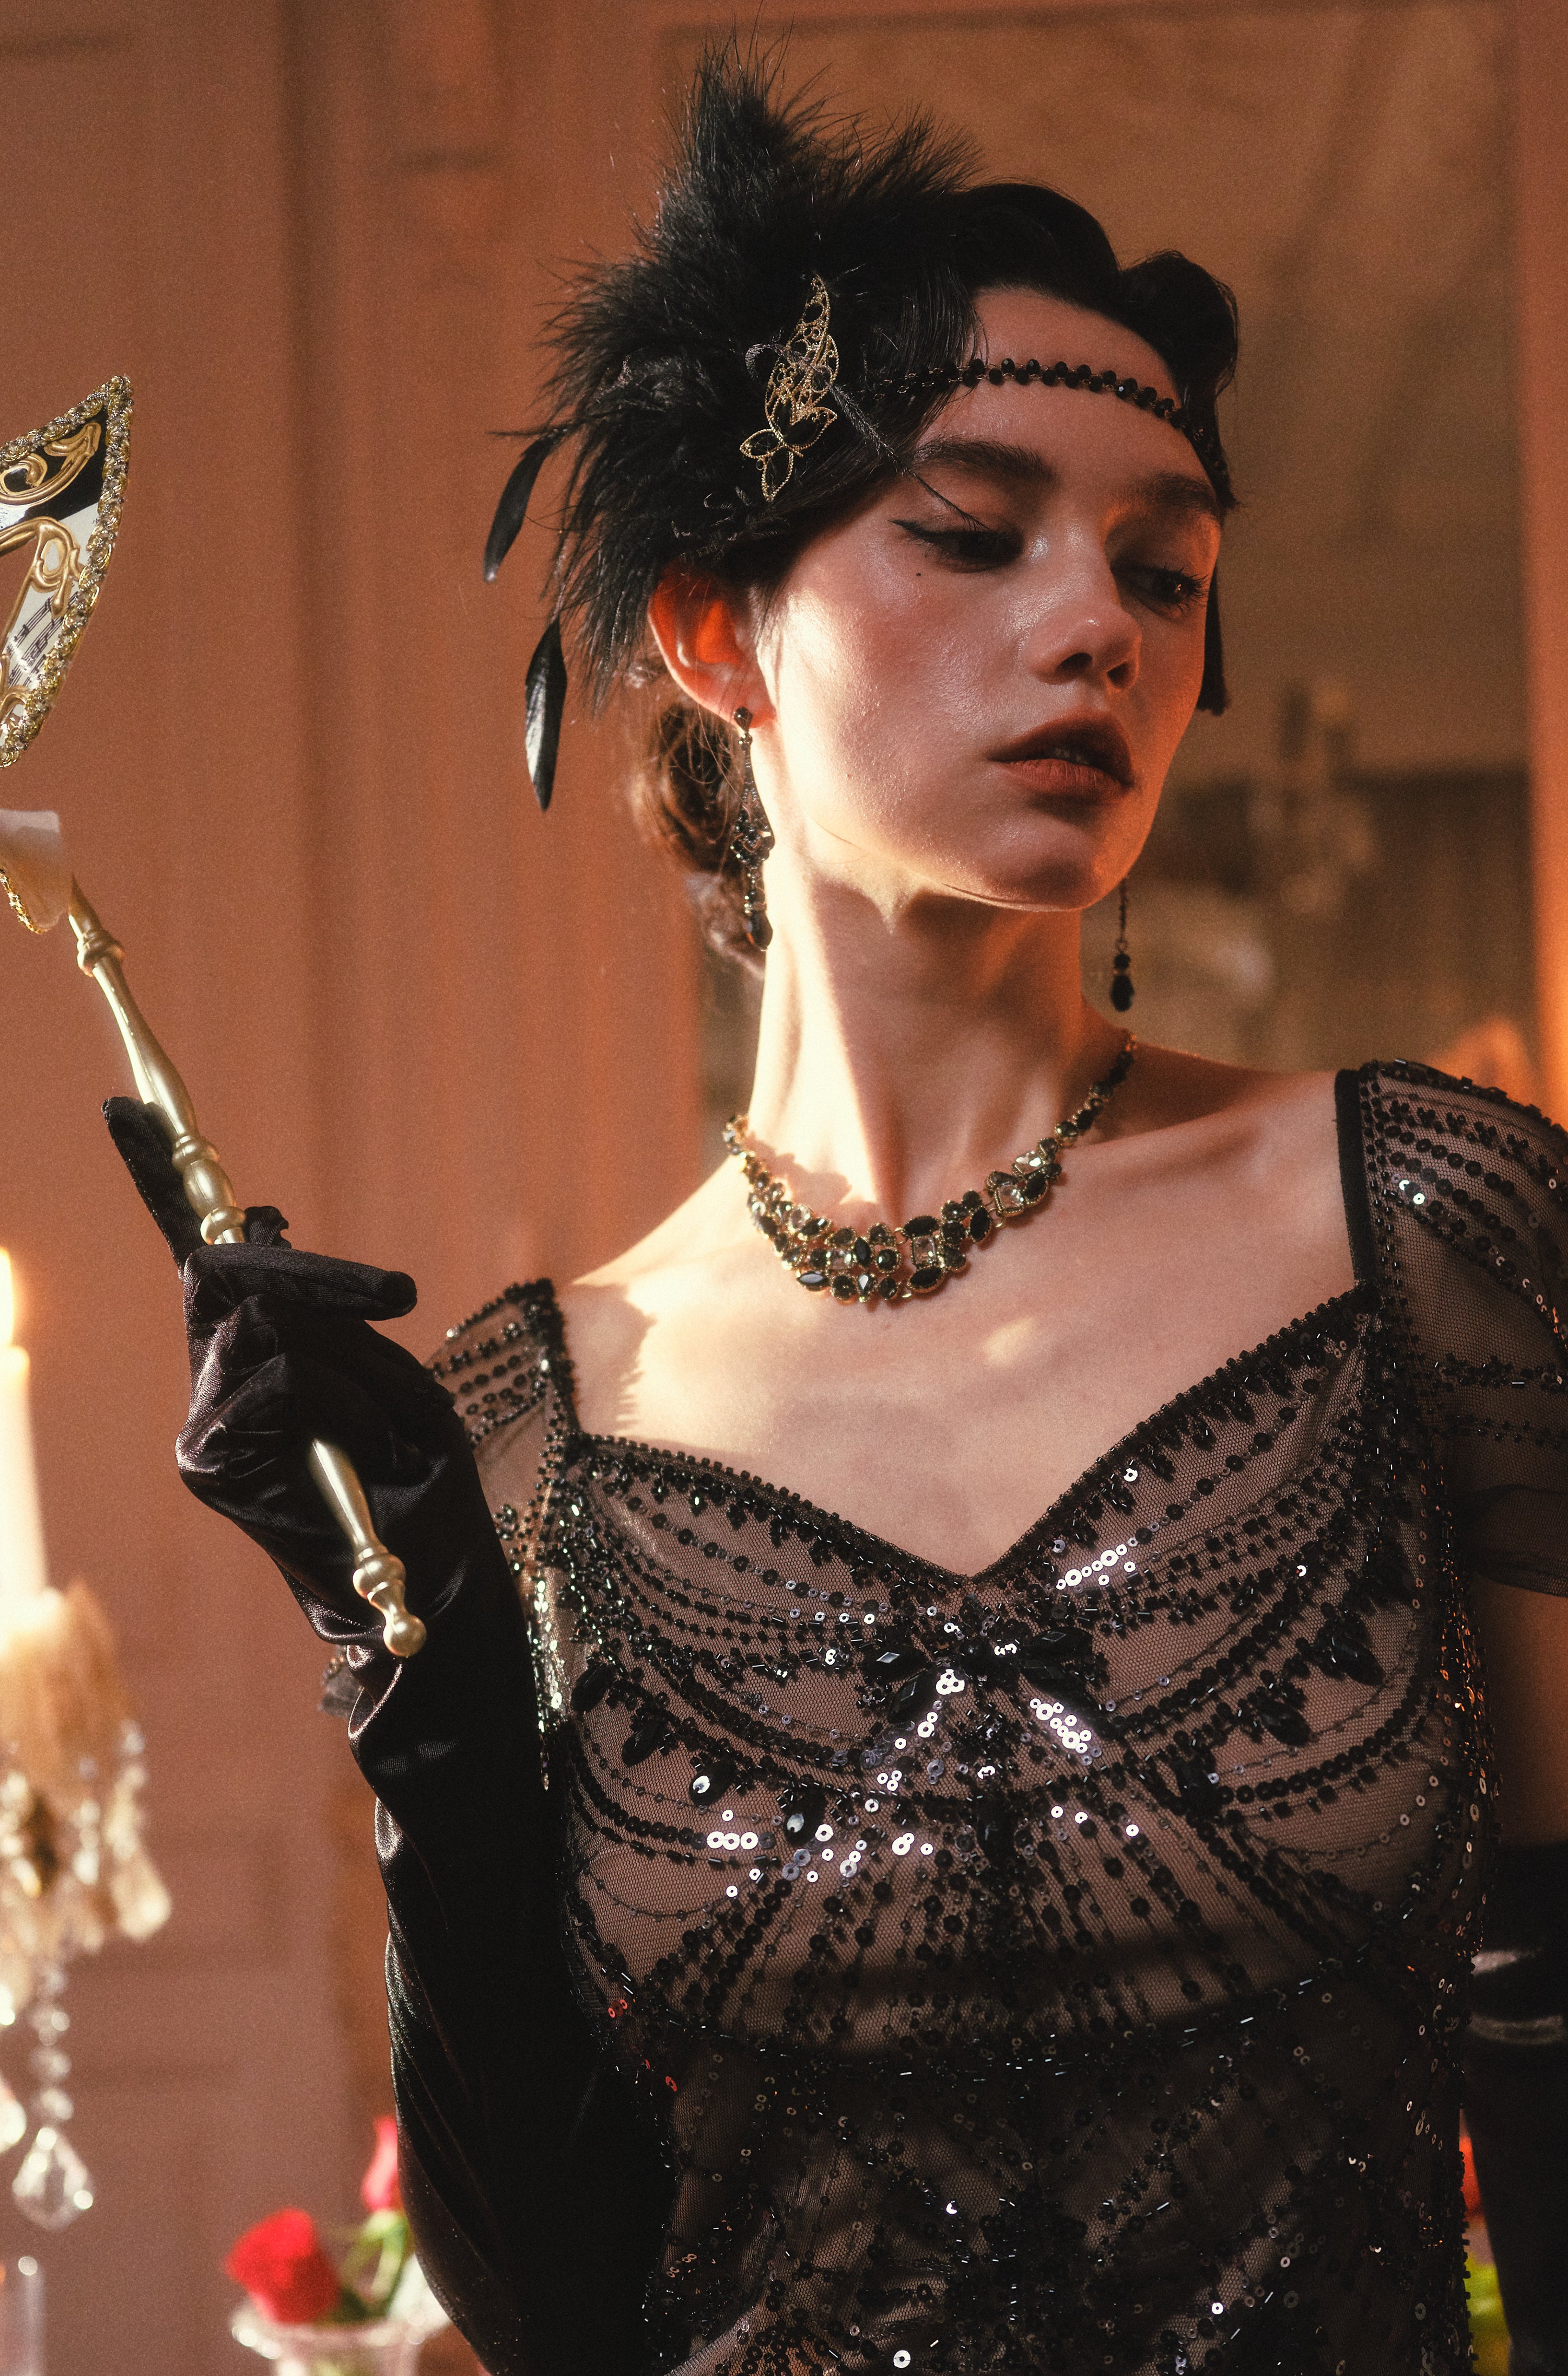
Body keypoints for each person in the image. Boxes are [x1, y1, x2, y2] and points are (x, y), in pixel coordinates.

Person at [106, 51, 1568, 2376]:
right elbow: (565, 2306)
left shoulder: (1425, 1228)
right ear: (715, 630)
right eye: (974, 532)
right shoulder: (538, 1416)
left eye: (1165, 568)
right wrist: (427, 1697)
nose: (1100, 624)